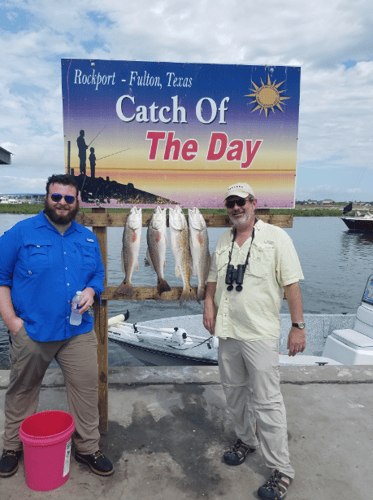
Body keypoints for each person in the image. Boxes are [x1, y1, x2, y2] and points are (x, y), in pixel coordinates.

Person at [0, 174, 114, 478]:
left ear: (77, 202)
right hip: (33, 331)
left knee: (86, 391)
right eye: (56, 197)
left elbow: (98, 274)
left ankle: (88, 448)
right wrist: (12, 322)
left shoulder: (87, 238)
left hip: (77, 333)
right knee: (21, 391)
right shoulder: (20, 233)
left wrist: (92, 291)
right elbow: (1, 278)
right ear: (46, 198)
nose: (62, 203)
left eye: (68, 198)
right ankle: (12, 446)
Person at [203, 182, 305, 500]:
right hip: (228, 330)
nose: (236, 207)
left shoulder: (277, 238)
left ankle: (282, 470)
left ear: (253, 203)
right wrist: (208, 306)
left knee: (267, 402)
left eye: (241, 201)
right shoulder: (222, 239)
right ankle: (246, 440)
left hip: (260, 333)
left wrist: (297, 326)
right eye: (230, 202)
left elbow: (292, 285)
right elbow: (212, 280)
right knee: (234, 394)